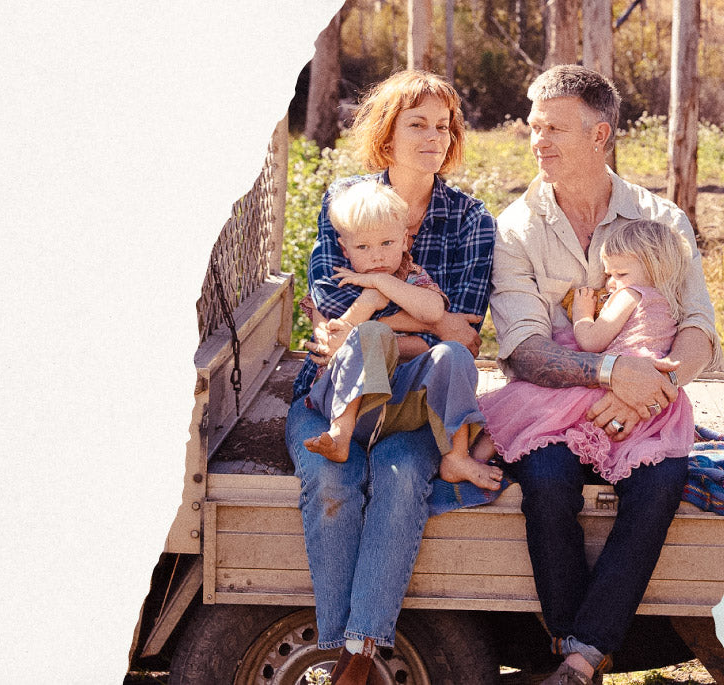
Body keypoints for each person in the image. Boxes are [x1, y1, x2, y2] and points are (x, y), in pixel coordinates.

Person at [489, 65, 721, 685]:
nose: (538, 140)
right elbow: (524, 349)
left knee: (662, 483)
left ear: (600, 136)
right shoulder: (514, 229)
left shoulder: (659, 219)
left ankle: (581, 658)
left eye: (554, 129)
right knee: (547, 480)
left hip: (649, 402)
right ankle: (575, 642)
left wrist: (654, 392)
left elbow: (699, 326)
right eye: (534, 127)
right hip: (554, 403)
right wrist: (613, 370)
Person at [283, 69, 499, 685]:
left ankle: (359, 651)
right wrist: (414, 330)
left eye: (443, 126)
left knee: (404, 477)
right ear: (387, 131)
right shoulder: (347, 202)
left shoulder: (469, 220)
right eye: (417, 124)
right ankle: (337, 645)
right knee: (330, 477)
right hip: (336, 400)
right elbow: (331, 314)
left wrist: (382, 320)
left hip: (413, 402)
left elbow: (464, 333)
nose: (434, 137)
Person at [473, 218, 697, 485]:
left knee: (525, 399)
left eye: (620, 274)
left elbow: (592, 341)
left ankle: (475, 459)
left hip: (617, 381)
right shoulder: (671, 304)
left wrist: (582, 314)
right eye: (608, 275)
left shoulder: (630, 295)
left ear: (653, 267)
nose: (611, 284)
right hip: (650, 396)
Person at [298, 181, 492, 487]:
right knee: (372, 333)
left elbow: (432, 311)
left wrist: (381, 284)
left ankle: (456, 455)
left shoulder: (411, 276)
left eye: (386, 243)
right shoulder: (339, 280)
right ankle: (340, 434)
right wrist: (367, 302)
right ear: (345, 248)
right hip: (344, 400)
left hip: (400, 405)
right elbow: (337, 332)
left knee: (452, 352)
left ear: (404, 241)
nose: (376, 257)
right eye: (363, 247)